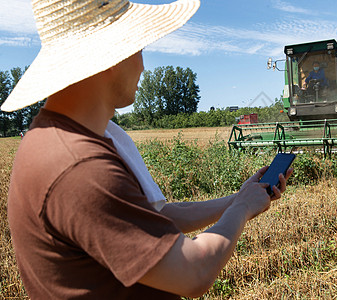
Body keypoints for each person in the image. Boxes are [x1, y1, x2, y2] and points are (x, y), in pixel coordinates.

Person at [2, 0, 293, 299]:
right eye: (139, 47)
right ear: (112, 54)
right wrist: (242, 209)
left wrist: (238, 199)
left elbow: (158, 218)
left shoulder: (74, 138)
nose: (143, 64)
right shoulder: (80, 166)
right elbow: (193, 272)